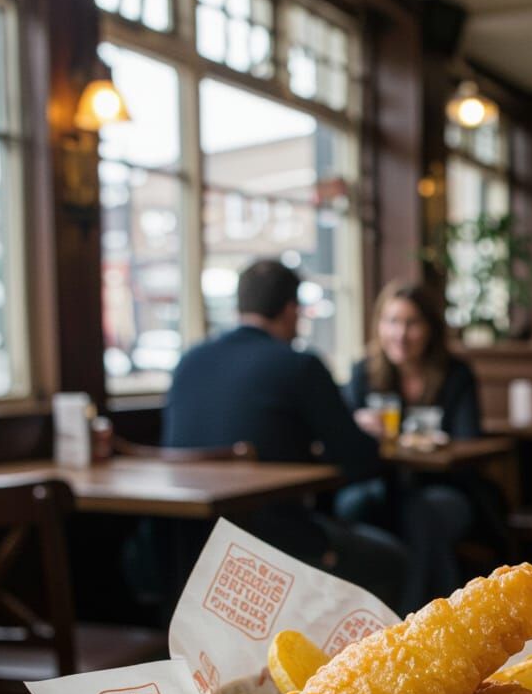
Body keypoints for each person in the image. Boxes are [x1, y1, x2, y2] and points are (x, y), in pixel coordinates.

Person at [161, 259, 407, 611]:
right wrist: (359, 434)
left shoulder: (188, 362)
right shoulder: (300, 365)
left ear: (240, 306)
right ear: (291, 310)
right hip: (277, 550)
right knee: (393, 561)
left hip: (189, 552)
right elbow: (361, 460)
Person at [337, 280, 505, 612]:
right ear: (379, 326)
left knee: (423, 513)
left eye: (411, 323)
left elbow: (468, 441)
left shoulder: (455, 375)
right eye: (392, 322)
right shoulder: (364, 374)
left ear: (430, 328)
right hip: (381, 487)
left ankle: (417, 619)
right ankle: (355, 618)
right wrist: (358, 424)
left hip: (445, 487)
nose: (400, 333)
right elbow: (344, 439)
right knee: (349, 507)